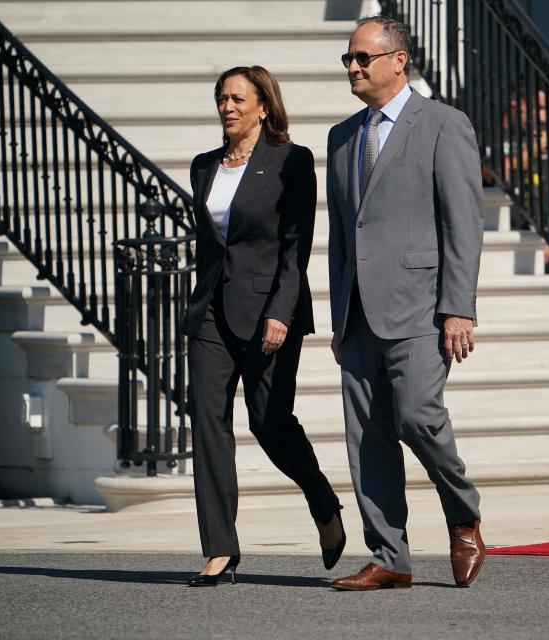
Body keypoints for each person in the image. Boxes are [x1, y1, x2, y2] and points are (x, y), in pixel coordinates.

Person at [326, 16, 486, 590]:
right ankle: (389, 557)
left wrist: (458, 307)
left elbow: (463, 223)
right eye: (348, 58)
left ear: (399, 60)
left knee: (418, 417)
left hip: (420, 307)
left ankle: (462, 514)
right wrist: (337, 316)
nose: (353, 67)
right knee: (366, 438)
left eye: (363, 57)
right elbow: (342, 236)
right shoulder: (341, 137)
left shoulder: (443, 123)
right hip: (358, 311)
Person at [182, 65, 345, 587]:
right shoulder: (204, 166)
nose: (227, 107)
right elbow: (212, 244)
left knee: (269, 422)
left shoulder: (291, 161)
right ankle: (220, 549)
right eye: (221, 98)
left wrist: (282, 310)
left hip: (268, 311)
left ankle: (322, 501)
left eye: (237, 98)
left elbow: (297, 245)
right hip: (211, 310)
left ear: (263, 106)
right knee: (207, 423)